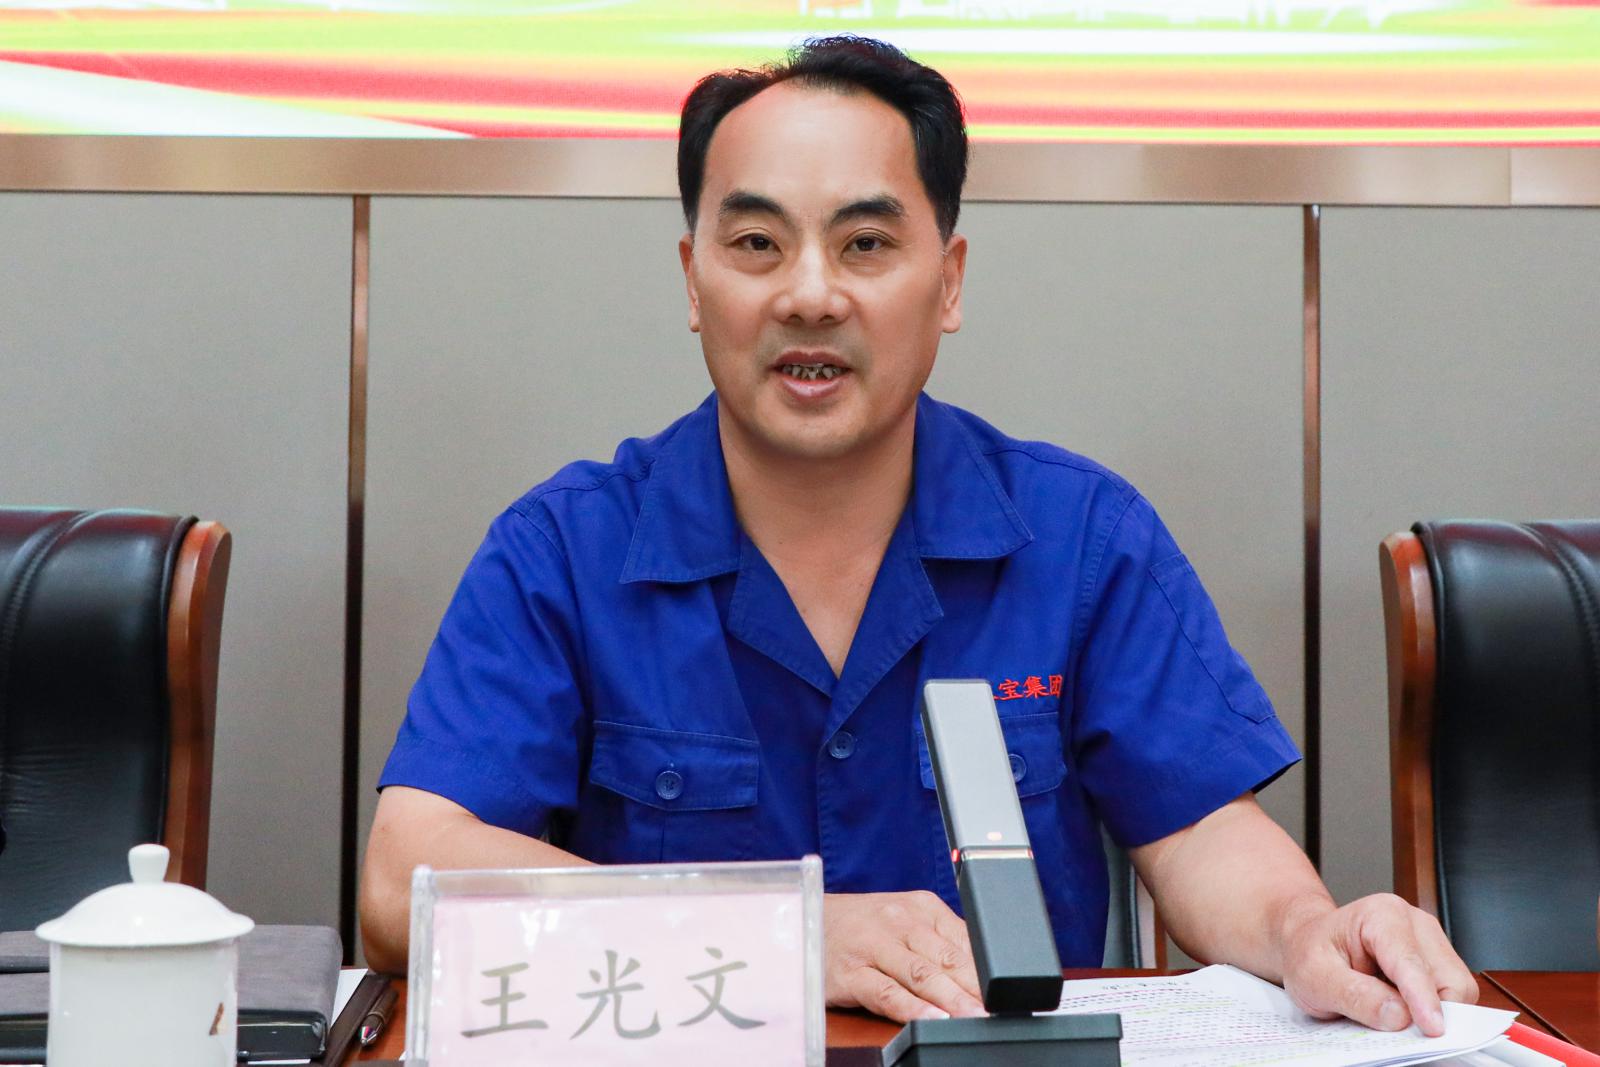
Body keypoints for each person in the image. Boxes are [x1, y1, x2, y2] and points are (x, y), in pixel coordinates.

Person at [360, 35, 1476, 1032]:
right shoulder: (564, 550)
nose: (809, 294)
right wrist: (780, 932)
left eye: (863, 244)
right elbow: (406, 878)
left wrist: (1305, 929)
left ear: (947, 281)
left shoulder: (1077, 536)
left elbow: (1198, 831)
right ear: (693, 280)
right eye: (755, 242)